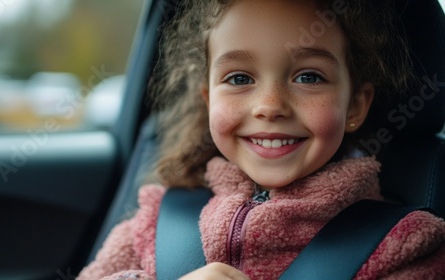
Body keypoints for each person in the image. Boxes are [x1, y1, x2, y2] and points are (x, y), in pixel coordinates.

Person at [78, 0, 445, 279]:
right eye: (239, 79)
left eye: (309, 77)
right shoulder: (155, 221)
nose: (270, 106)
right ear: (209, 100)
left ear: (356, 105)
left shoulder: (401, 243)